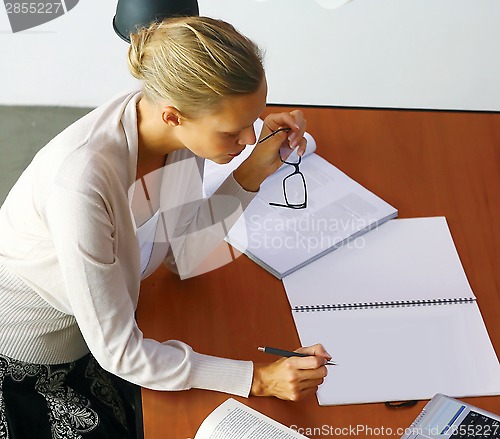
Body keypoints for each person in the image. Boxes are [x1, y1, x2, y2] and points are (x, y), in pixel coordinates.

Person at [0, 16, 331, 438]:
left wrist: (251, 173)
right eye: (233, 131)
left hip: (106, 326)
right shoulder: (81, 185)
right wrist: (259, 379)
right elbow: (121, 354)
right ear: (174, 116)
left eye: (254, 120)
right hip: (36, 354)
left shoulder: (170, 133)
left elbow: (183, 256)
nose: (250, 138)